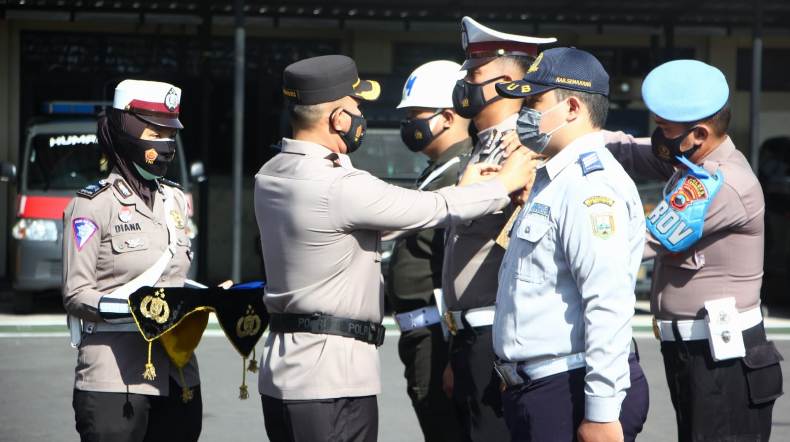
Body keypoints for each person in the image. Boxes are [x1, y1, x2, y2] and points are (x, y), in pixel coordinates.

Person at [254, 54, 537, 442]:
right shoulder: (340, 185)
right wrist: (504, 183)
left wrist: (465, 188)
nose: (359, 115)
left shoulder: (271, 175)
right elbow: (431, 208)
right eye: (355, 107)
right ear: (337, 119)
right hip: (331, 379)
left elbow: (361, 229)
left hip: (285, 370)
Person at [603, 59, 784, 441]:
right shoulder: (691, 163)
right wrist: (576, 141)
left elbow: (642, 241)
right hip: (695, 351)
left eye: (665, 128)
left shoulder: (719, 183)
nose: (657, 136)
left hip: (720, 359)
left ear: (698, 134)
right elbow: (629, 150)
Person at [493, 47, 650, 442]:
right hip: (541, 388)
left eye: (534, 101)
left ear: (573, 107)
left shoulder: (589, 186)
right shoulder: (555, 178)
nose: (523, 114)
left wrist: (600, 412)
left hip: (571, 389)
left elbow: (608, 301)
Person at [63, 79, 201, 442]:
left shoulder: (175, 201)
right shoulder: (94, 204)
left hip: (179, 377)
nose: (167, 143)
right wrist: (139, 309)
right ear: (128, 129)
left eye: (171, 132)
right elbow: (76, 294)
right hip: (116, 379)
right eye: (157, 131)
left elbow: (174, 280)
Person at [442, 16, 555, 441]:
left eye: (476, 74)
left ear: (508, 80)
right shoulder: (485, 142)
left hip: (499, 334)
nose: (466, 84)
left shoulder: (524, 145)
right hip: (468, 335)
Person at [386, 59, 469, 442]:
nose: (408, 125)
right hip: (422, 333)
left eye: (416, 115)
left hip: (439, 336)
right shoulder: (440, 169)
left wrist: (453, 355)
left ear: (448, 116)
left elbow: (457, 271)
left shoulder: (460, 172)